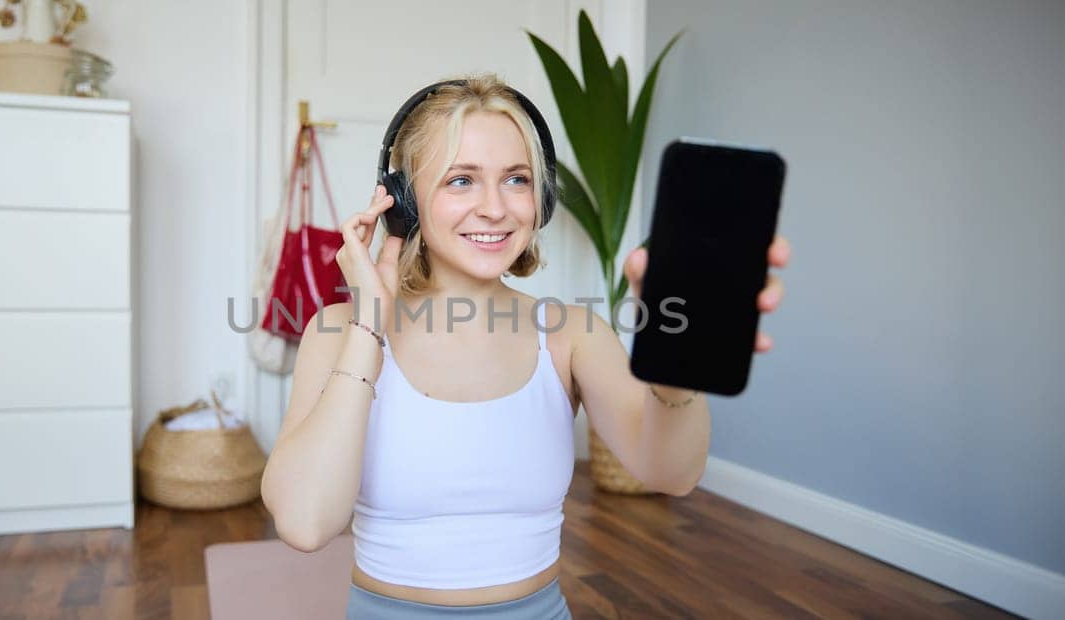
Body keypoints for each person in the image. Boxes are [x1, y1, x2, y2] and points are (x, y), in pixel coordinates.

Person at [260, 74, 790, 619]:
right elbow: (304, 523)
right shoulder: (337, 331)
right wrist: (369, 324)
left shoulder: (571, 335)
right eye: (461, 180)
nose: (495, 208)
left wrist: (680, 358)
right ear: (401, 200)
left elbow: (671, 473)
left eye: (515, 179)